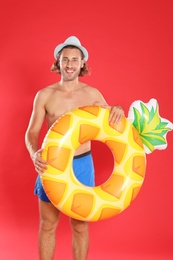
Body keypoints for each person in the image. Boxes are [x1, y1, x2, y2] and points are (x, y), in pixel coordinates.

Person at [25, 36, 124, 260]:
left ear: (82, 64)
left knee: (80, 225)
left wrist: (117, 109)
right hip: (52, 164)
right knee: (48, 224)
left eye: (74, 60)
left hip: (82, 165)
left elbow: (113, 123)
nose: (69, 64)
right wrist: (34, 154)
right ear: (58, 62)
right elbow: (31, 132)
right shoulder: (44, 95)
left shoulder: (92, 95)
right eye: (65, 59)